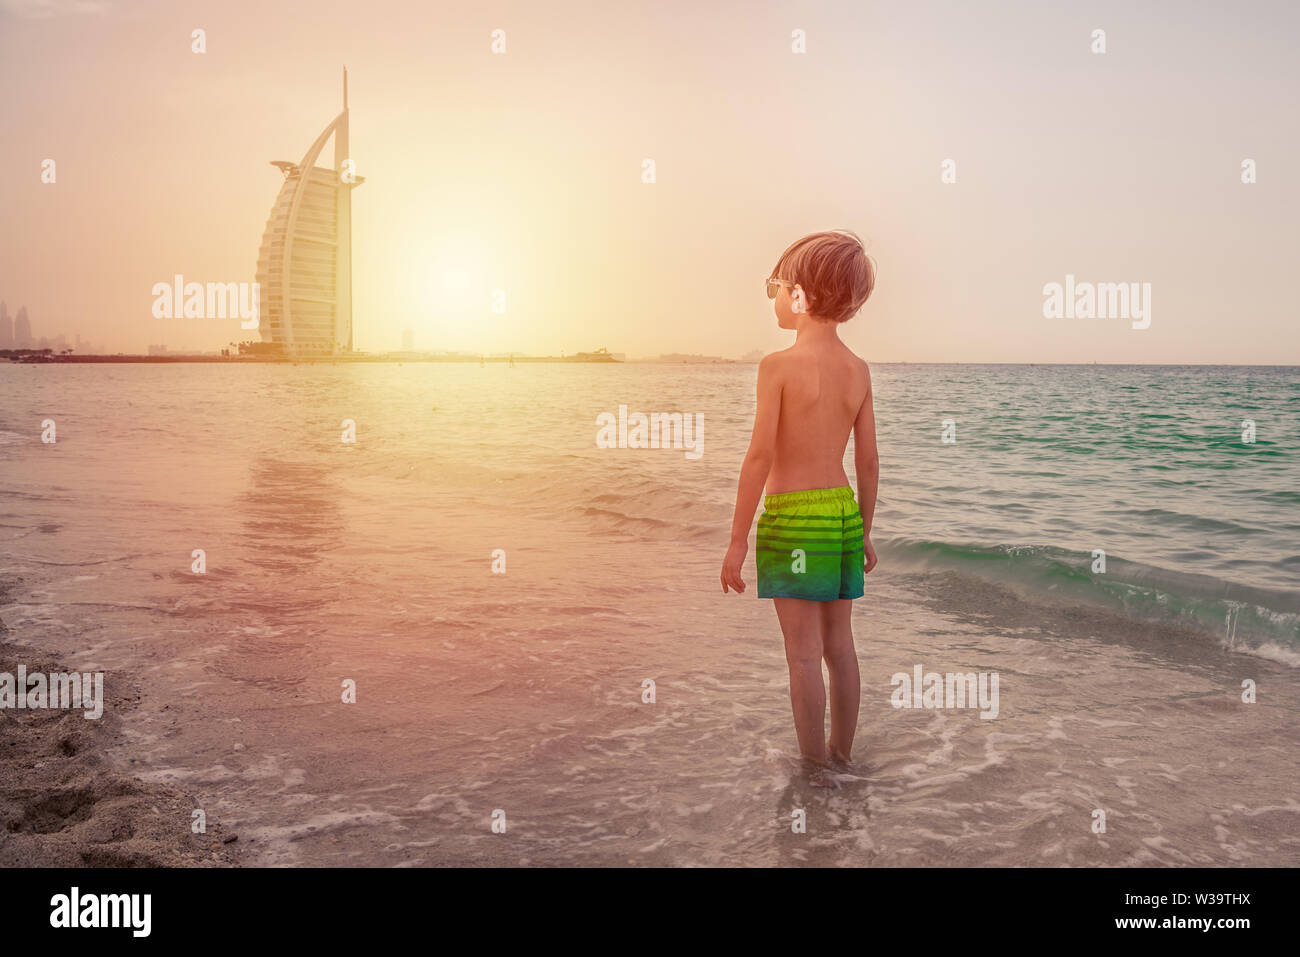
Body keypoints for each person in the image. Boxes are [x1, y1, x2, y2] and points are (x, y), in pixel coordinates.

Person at [720, 229, 879, 787]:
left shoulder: (777, 367)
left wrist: (738, 540)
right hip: (840, 513)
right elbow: (868, 463)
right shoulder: (858, 370)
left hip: (792, 518)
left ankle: (813, 769)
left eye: (775, 286)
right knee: (842, 647)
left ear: (800, 295)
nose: (772, 298)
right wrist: (864, 530)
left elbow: (760, 454)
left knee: (803, 655)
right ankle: (843, 756)